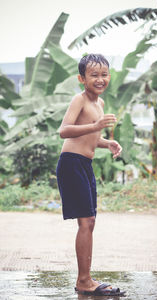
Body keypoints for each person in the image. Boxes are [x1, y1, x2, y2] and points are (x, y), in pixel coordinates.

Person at [56, 54, 125, 296]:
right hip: (71, 163)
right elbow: (64, 130)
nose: (100, 79)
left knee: (91, 222)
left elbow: (93, 139)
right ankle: (84, 281)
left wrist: (108, 143)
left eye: (104, 74)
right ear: (81, 78)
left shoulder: (100, 104)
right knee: (85, 222)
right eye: (93, 75)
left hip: (85, 164)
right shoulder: (80, 99)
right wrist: (96, 127)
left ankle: (86, 278)